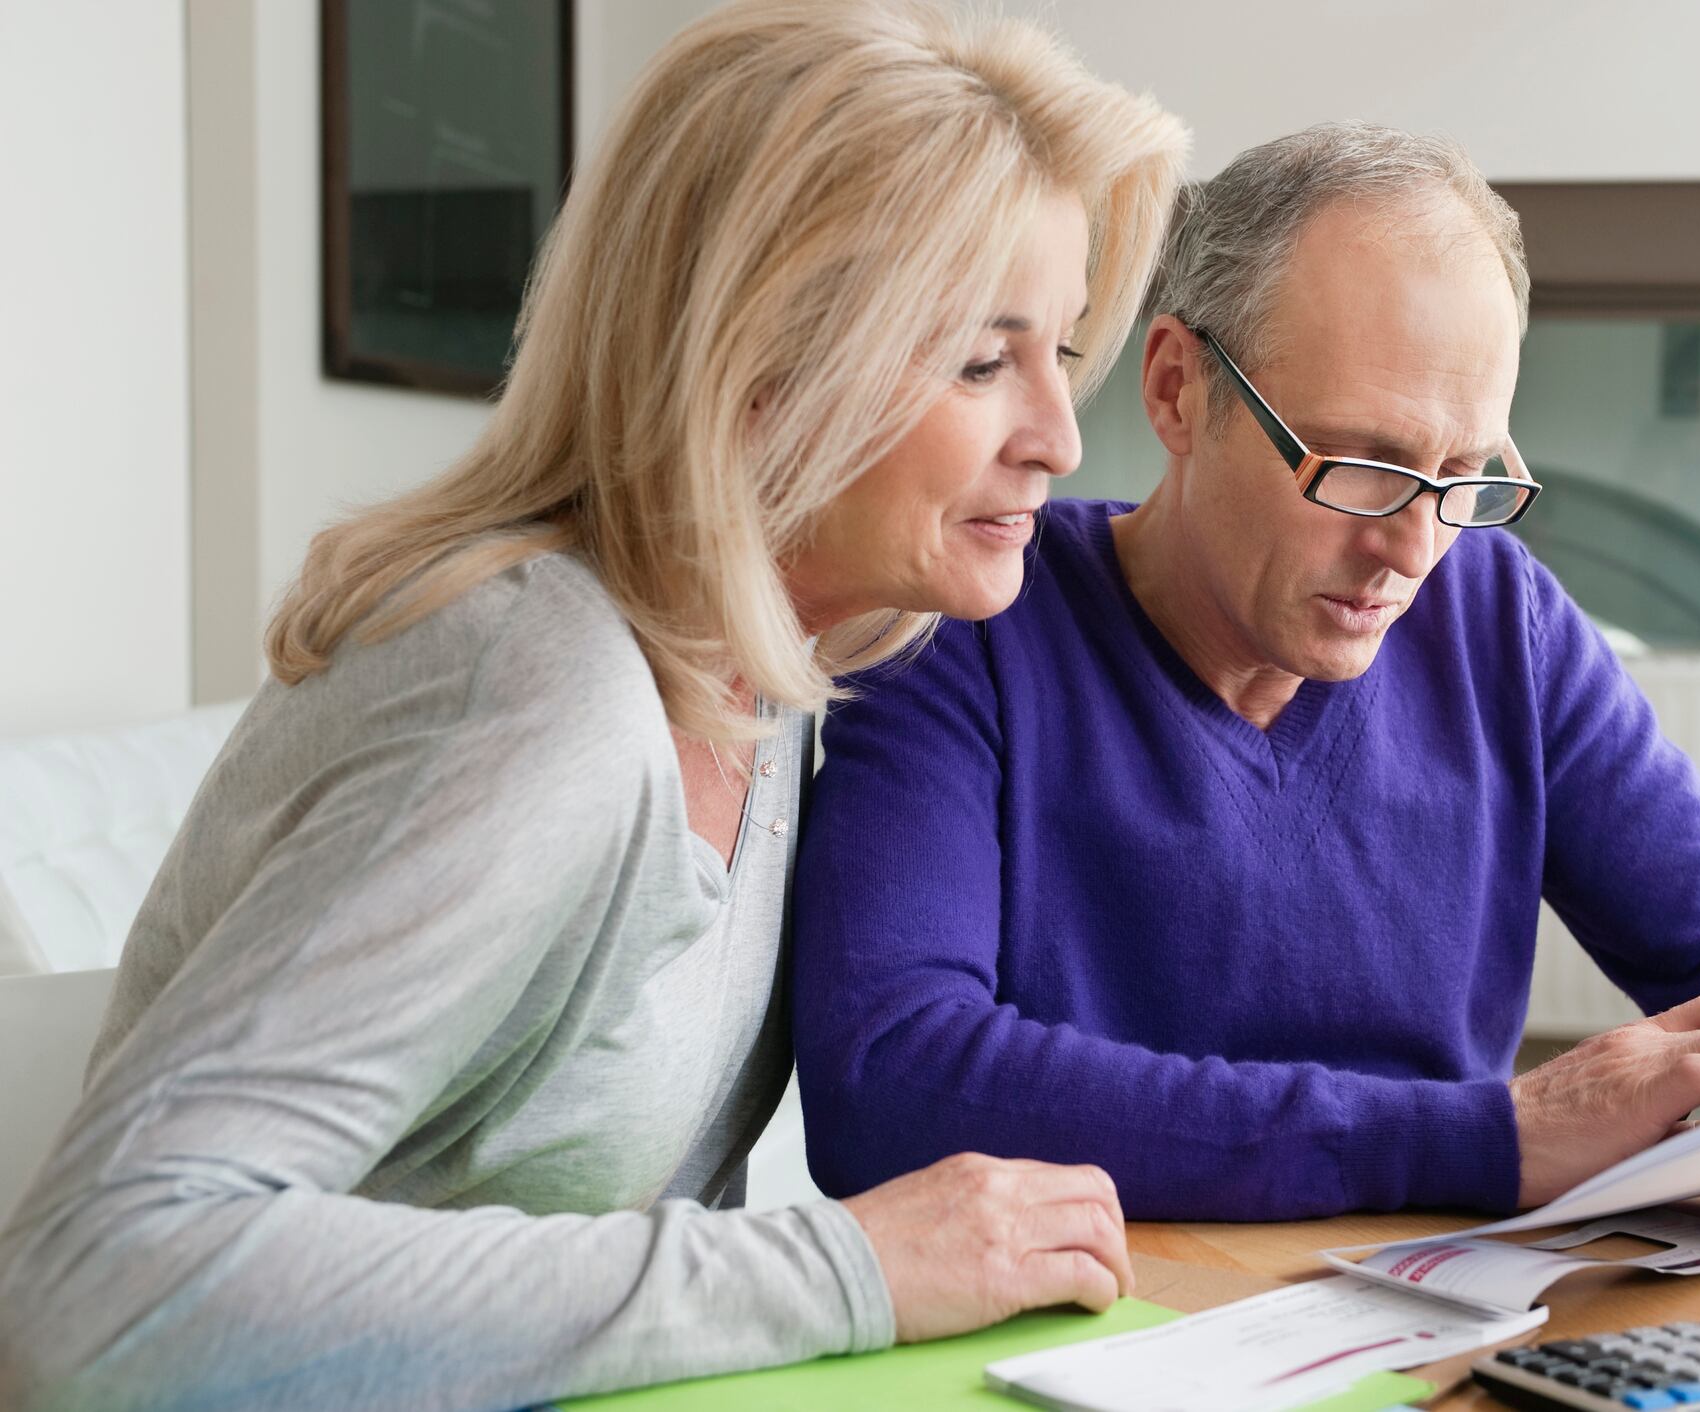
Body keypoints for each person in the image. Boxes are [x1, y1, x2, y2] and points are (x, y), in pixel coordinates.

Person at [0, 4, 1186, 1409]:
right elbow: (97, 1289)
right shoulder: (536, 692)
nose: (1054, 433)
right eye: (984, 362)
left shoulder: (766, 684)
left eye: (1058, 354)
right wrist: (843, 1269)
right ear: (760, 364)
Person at [793, 123, 1700, 1272]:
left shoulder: (1495, 617)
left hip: (1428, 1317)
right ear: (1175, 391)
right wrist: (1491, 1135)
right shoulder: (960, 621)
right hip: (1092, 1323)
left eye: (1464, 476)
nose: (1414, 549)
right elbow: (889, 1078)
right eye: (1362, 467)